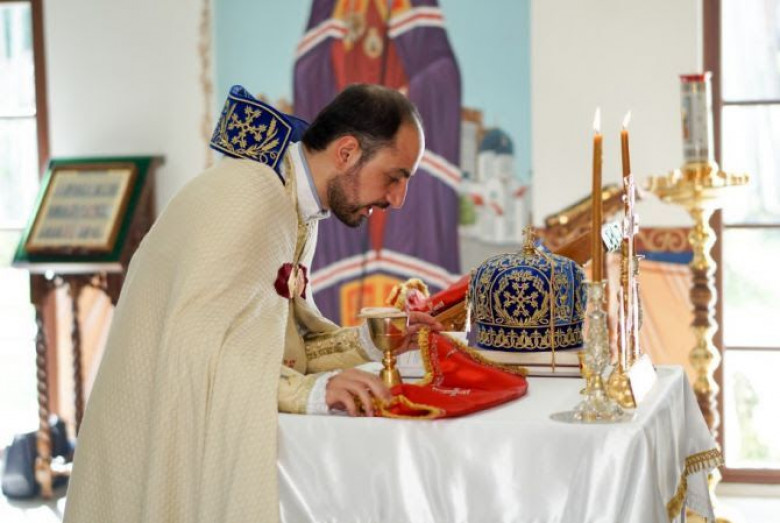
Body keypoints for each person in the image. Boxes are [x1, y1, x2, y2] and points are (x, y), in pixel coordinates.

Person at [63, 84, 443, 523]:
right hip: (144, 440)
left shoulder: (291, 202)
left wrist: (376, 341)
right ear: (346, 152)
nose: (398, 199)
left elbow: (283, 345)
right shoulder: (251, 194)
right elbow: (197, 349)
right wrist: (310, 392)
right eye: (395, 176)